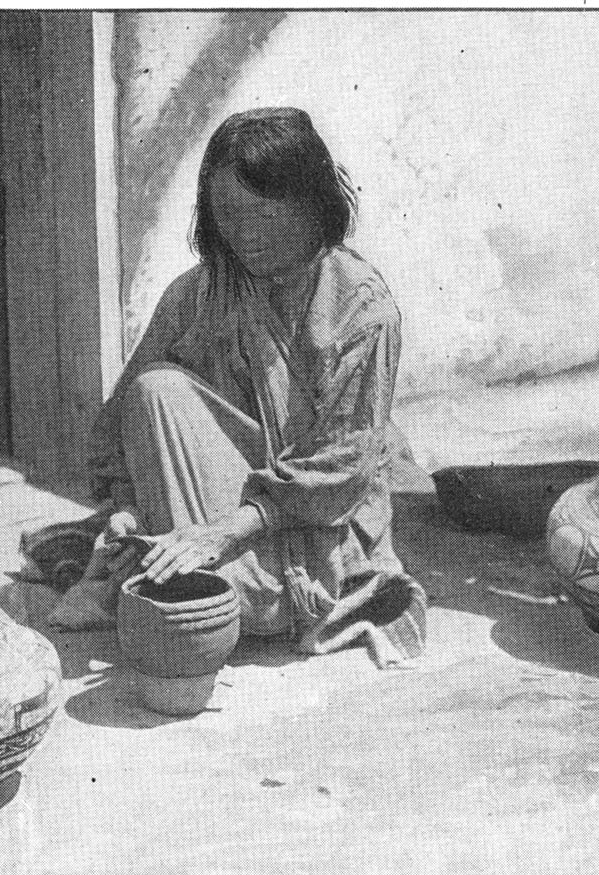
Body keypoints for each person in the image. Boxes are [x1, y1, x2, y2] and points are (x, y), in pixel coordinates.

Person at [65, 107, 425, 668]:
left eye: (263, 212)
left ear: (311, 202)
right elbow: (116, 429)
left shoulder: (361, 307)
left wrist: (221, 534)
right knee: (157, 390)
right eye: (228, 216)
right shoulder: (200, 292)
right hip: (221, 520)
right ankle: (196, 586)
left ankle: (213, 589)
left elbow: (343, 471)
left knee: (197, 597)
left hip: (311, 536)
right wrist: (128, 507)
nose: (245, 235)